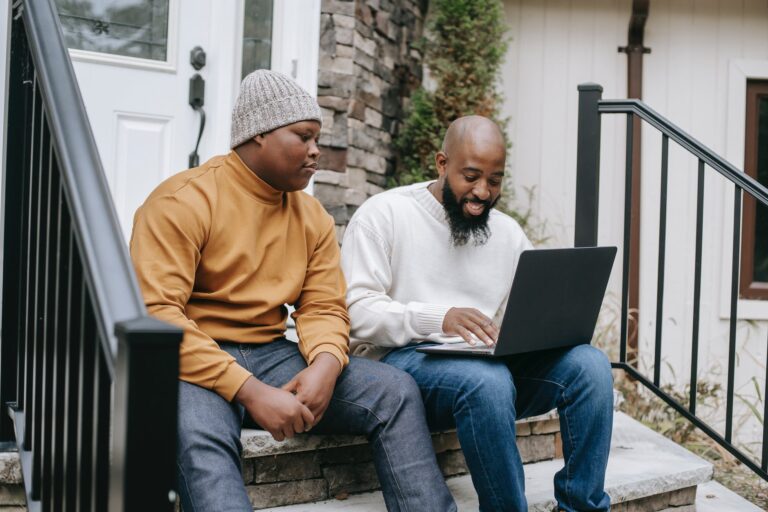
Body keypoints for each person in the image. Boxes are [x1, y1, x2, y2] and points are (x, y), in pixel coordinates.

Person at [130, 69, 456, 512]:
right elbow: (158, 314)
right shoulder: (182, 201)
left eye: (318, 137)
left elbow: (323, 305)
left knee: (394, 391)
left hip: (271, 351)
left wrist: (325, 363)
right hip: (195, 359)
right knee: (199, 441)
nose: (316, 150)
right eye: (303, 136)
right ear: (259, 134)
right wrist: (249, 391)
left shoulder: (312, 216)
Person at [340, 115, 614, 512]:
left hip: (481, 365)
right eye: (470, 176)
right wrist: (440, 317)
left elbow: (533, 308)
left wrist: (535, 332)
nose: (483, 192)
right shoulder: (385, 214)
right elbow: (357, 311)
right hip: (401, 364)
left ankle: (582, 507)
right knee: (486, 380)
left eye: (495, 180)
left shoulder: (507, 233)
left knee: (589, 366)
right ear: (441, 164)